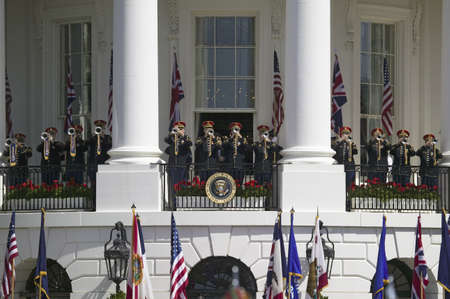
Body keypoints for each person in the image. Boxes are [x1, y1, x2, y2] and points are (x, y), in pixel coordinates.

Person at [164, 121, 192, 187]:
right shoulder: (172, 138)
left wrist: (182, 135)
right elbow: (166, 140)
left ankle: (181, 197)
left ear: (183, 130)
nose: (179, 130)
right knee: (173, 185)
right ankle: (173, 197)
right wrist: (172, 133)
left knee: (182, 184)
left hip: (183, 165)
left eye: (181, 129)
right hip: (173, 165)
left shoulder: (186, 138)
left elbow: (190, 143)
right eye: (178, 129)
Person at [87, 120, 112, 185]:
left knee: (104, 182)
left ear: (104, 128)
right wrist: (95, 136)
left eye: (101, 127)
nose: (100, 128)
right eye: (98, 127)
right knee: (94, 183)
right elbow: (87, 145)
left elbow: (109, 147)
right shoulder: (93, 138)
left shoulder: (108, 138)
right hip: (94, 163)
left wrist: (103, 137)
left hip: (104, 162)